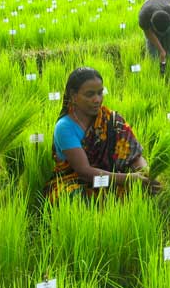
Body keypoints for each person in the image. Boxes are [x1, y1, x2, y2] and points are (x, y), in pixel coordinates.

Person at [46, 67, 159, 200]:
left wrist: (147, 173)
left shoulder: (111, 120)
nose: (97, 99)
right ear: (73, 96)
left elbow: (133, 156)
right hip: (76, 182)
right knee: (76, 199)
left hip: (110, 178)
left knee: (141, 191)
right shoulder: (64, 127)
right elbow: (84, 172)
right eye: (90, 94)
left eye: (100, 93)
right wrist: (128, 179)